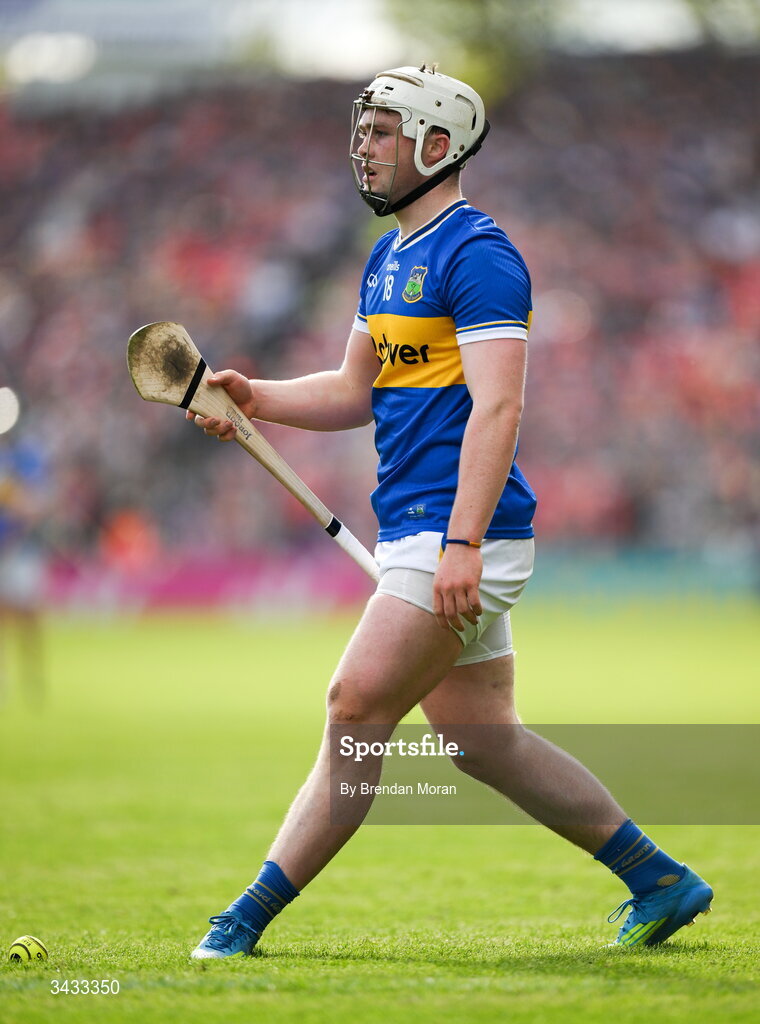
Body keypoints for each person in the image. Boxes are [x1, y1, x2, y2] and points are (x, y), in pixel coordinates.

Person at [187, 65, 712, 958]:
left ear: (438, 145)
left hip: (459, 532)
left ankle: (243, 921)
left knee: (354, 708)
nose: (363, 145)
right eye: (363, 130)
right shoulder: (388, 256)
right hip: (422, 530)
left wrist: (464, 540)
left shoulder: (479, 254)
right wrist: (255, 396)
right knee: (481, 742)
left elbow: (501, 407)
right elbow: (357, 389)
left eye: (383, 131)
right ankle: (659, 879)